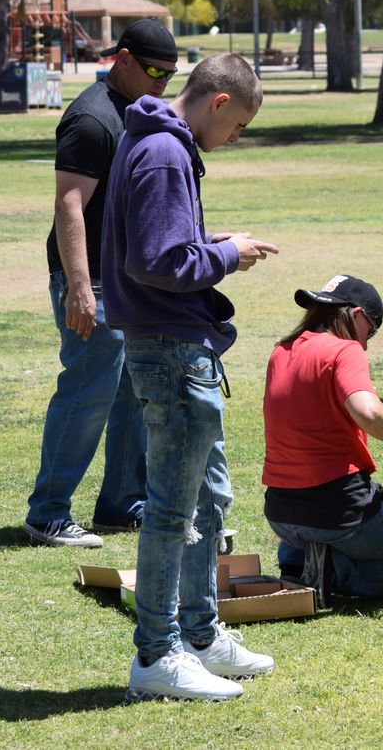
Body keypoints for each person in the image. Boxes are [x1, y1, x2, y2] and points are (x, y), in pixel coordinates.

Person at [101, 52, 280, 703]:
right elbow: (157, 261)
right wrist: (226, 254)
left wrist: (215, 243)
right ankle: (157, 654)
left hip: (180, 345)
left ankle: (200, 636)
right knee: (173, 510)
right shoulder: (163, 153)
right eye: (238, 127)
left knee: (208, 498)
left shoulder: (157, 144)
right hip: (171, 350)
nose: (234, 139)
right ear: (219, 101)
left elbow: (166, 246)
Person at [21, 19, 181, 549]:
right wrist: (79, 287)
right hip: (90, 279)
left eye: (170, 74)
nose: (162, 82)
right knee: (89, 388)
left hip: (124, 278)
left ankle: (122, 502)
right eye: (155, 71)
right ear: (124, 59)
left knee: (131, 389)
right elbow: (69, 204)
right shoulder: (92, 118)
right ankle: (47, 513)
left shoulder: (135, 111)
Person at [262, 275, 383, 600]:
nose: (366, 344)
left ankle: (300, 561)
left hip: (282, 515)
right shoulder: (345, 350)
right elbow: (368, 412)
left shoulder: (281, 351)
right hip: (337, 513)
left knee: (367, 520)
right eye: (370, 331)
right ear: (357, 314)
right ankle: (333, 572)